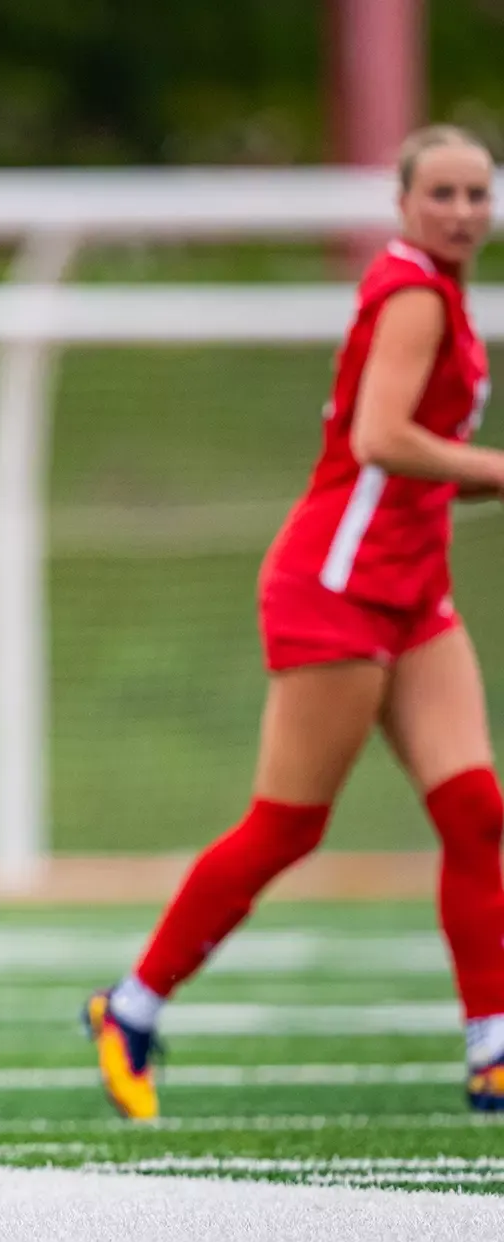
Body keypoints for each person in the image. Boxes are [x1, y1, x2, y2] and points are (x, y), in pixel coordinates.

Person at [85, 124, 504, 1119]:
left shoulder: (440, 294)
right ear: (401, 204)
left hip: (411, 587)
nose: (456, 211)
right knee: (287, 825)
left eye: (472, 195)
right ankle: (130, 1006)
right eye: (437, 193)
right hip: (336, 582)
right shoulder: (408, 289)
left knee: (475, 810)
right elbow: (379, 438)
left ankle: (491, 1048)